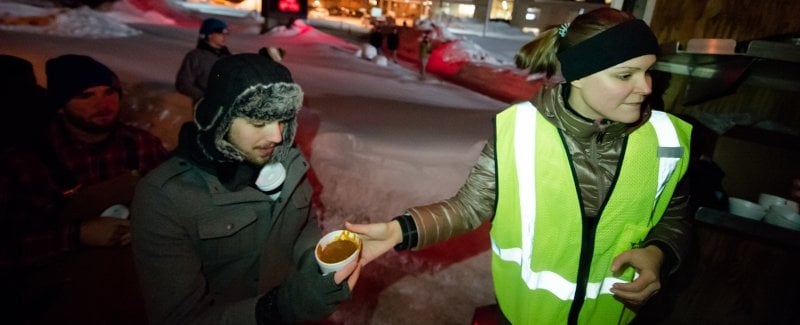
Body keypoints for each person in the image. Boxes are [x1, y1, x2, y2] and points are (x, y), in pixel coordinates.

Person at [348, 7, 693, 324]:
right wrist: (399, 230)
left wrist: (658, 251)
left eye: (649, 72)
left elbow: (673, 214)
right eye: (625, 75)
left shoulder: (665, 139)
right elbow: (469, 206)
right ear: (578, 75)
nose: (645, 87)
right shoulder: (521, 130)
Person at [132, 53, 361, 324]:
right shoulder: (165, 197)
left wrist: (319, 266)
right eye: (258, 122)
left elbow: (303, 223)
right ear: (220, 119)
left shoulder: (289, 161)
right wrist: (280, 308)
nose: (276, 136)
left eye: (282, 120)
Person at [0, 54, 168, 323]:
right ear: (59, 105)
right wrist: (76, 235)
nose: (103, 104)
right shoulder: (23, 163)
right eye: (85, 95)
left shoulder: (142, 145)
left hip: (135, 298)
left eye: (109, 92)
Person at [175, 17, 232, 105]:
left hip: (227, 107)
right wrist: (205, 97)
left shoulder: (228, 57)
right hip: (205, 108)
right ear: (209, 34)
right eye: (220, 33)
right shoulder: (196, 56)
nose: (224, 36)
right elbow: (183, 83)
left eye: (225, 33)